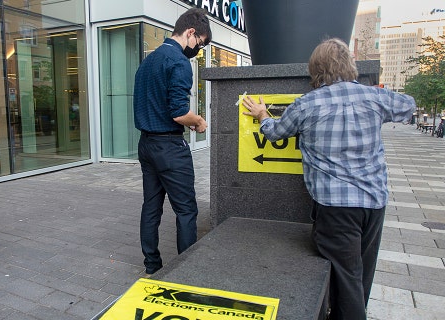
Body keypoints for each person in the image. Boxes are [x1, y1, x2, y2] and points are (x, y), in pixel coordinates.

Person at [242, 38, 416, 320]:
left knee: (346, 279)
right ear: (350, 66)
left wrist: (262, 115)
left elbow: (274, 133)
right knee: (361, 275)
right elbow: (408, 106)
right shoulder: (375, 97)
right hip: (374, 203)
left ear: (316, 70)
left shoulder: (307, 104)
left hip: (336, 208)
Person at [133, 8, 211, 276]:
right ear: (190, 33)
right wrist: (199, 121)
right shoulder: (178, 62)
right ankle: (186, 271)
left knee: (151, 206)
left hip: (146, 145)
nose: (197, 50)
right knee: (187, 210)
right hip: (169, 148)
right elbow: (179, 112)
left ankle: (152, 265)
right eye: (199, 43)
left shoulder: (148, 61)